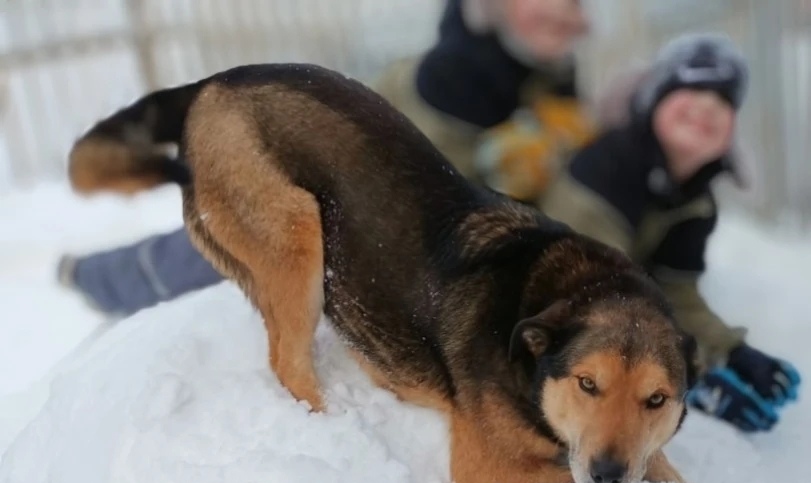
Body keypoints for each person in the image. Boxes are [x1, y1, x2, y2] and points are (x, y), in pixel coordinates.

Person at [56, 0, 595, 317]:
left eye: (572, 4)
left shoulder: (551, 76)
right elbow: (423, 193)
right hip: (314, 189)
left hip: (356, 220)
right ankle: (92, 277)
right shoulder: (461, 73)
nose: (562, 13)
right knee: (204, 257)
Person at [477, 32, 802, 433]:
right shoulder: (603, 171)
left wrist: (732, 351)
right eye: (691, 89)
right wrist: (692, 377)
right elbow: (596, 305)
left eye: (723, 99)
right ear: (653, 100)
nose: (707, 105)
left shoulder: (694, 199)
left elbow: (675, 291)